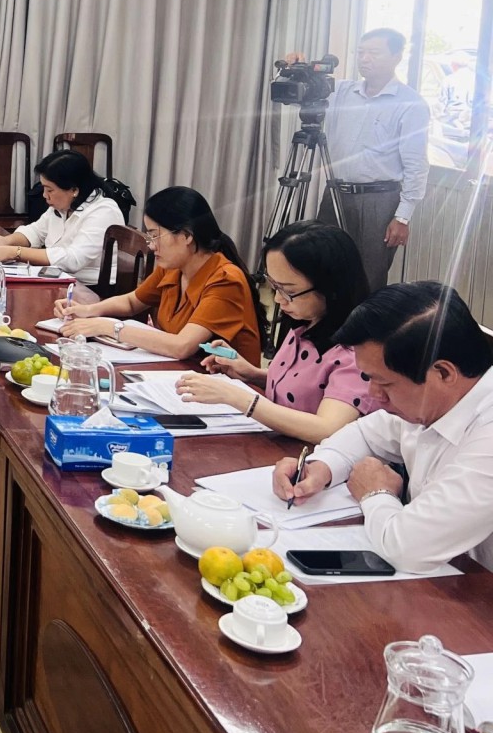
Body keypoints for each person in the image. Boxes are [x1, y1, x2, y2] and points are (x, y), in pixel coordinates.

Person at [272, 281, 493, 574]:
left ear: (443, 372)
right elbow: (367, 433)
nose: (373, 394)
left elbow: (408, 548)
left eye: (385, 383)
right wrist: (320, 467)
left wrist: (375, 493)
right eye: (369, 378)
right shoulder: (428, 401)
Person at [176, 221, 376, 442]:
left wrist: (235, 397)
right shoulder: (306, 322)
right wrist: (251, 373)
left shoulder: (356, 353)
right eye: (274, 287)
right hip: (278, 445)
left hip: (311, 458)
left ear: (331, 287)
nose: (279, 299)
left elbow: (327, 428)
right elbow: (304, 389)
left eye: (288, 291)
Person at [56, 186, 263, 362]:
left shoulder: (225, 280)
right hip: (180, 373)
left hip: (224, 386)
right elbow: (132, 302)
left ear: (186, 236)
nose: (151, 245)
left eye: (155, 236)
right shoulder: (174, 267)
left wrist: (109, 327)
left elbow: (182, 346)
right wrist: (87, 310)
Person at [320, 28, 430, 292]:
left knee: (369, 278)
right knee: (323, 268)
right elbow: (303, 93)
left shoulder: (410, 104)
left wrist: (402, 217)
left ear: (396, 57)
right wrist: (295, 67)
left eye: (374, 53)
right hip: (335, 193)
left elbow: (416, 165)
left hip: (379, 201)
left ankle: (363, 321)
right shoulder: (342, 91)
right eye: (361, 52)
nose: (364, 58)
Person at [0, 150, 122, 284]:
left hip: (90, 288)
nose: (44, 195)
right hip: (59, 278)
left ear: (74, 190)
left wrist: (15, 252)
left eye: (50, 190)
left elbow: (73, 260)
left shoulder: (103, 212)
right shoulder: (64, 205)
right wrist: (6, 241)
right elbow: (35, 232)